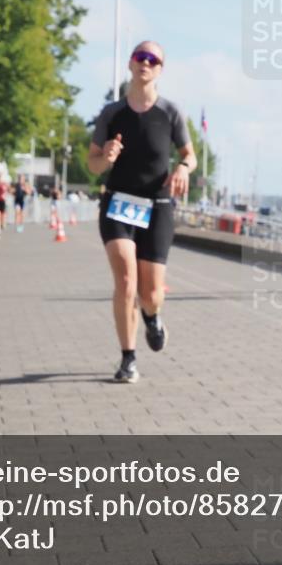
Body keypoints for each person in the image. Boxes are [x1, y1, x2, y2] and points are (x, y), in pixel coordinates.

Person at [88, 41, 196, 383]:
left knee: (150, 294)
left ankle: (152, 317)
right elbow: (92, 164)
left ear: (160, 69)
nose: (145, 63)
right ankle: (128, 358)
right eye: (140, 57)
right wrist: (106, 157)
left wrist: (183, 168)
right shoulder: (111, 113)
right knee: (125, 281)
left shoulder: (170, 112)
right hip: (118, 204)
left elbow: (190, 155)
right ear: (130, 64)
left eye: (153, 59)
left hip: (158, 206)